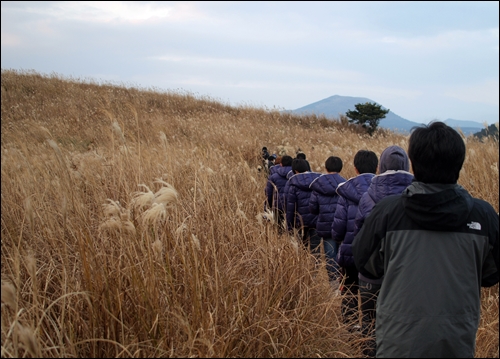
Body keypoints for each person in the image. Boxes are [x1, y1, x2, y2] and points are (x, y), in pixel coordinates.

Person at [352, 121, 499, 358]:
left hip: (396, 342)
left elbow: (365, 262)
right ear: (459, 163)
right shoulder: (483, 216)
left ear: (414, 164)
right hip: (456, 342)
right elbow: (491, 274)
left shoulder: (388, 213)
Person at [353, 145, 414, 357]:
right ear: (407, 165)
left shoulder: (367, 196)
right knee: (402, 328)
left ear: (381, 166)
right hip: (405, 276)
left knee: (370, 323)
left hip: (370, 275)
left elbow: (358, 234)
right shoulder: (417, 198)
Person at [331, 150, 378, 328]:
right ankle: (370, 333)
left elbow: (338, 228)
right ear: (377, 168)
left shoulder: (346, 190)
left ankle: (350, 330)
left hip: (350, 252)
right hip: (375, 256)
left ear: (355, 168)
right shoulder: (382, 190)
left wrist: (339, 241)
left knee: (349, 291)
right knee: (373, 296)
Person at [308, 156, 346, 284]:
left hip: (326, 225)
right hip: (342, 226)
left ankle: (333, 284)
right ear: (340, 168)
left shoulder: (318, 185)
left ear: (326, 167)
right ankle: (344, 283)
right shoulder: (345, 184)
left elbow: (312, 208)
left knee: (330, 256)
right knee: (343, 255)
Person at [284, 158, 321, 245]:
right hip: (315, 222)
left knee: (300, 249)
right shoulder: (318, 182)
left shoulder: (293, 185)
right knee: (316, 250)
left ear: (295, 171)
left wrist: (289, 226)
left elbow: (290, 208)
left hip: (300, 222)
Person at [265, 155, 293, 232]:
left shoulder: (273, 177)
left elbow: (268, 193)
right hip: (293, 207)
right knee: (292, 230)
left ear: (281, 164)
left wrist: (269, 206)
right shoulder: (296, 176)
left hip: (278, 206)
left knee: (279, 229)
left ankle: (280, 240)